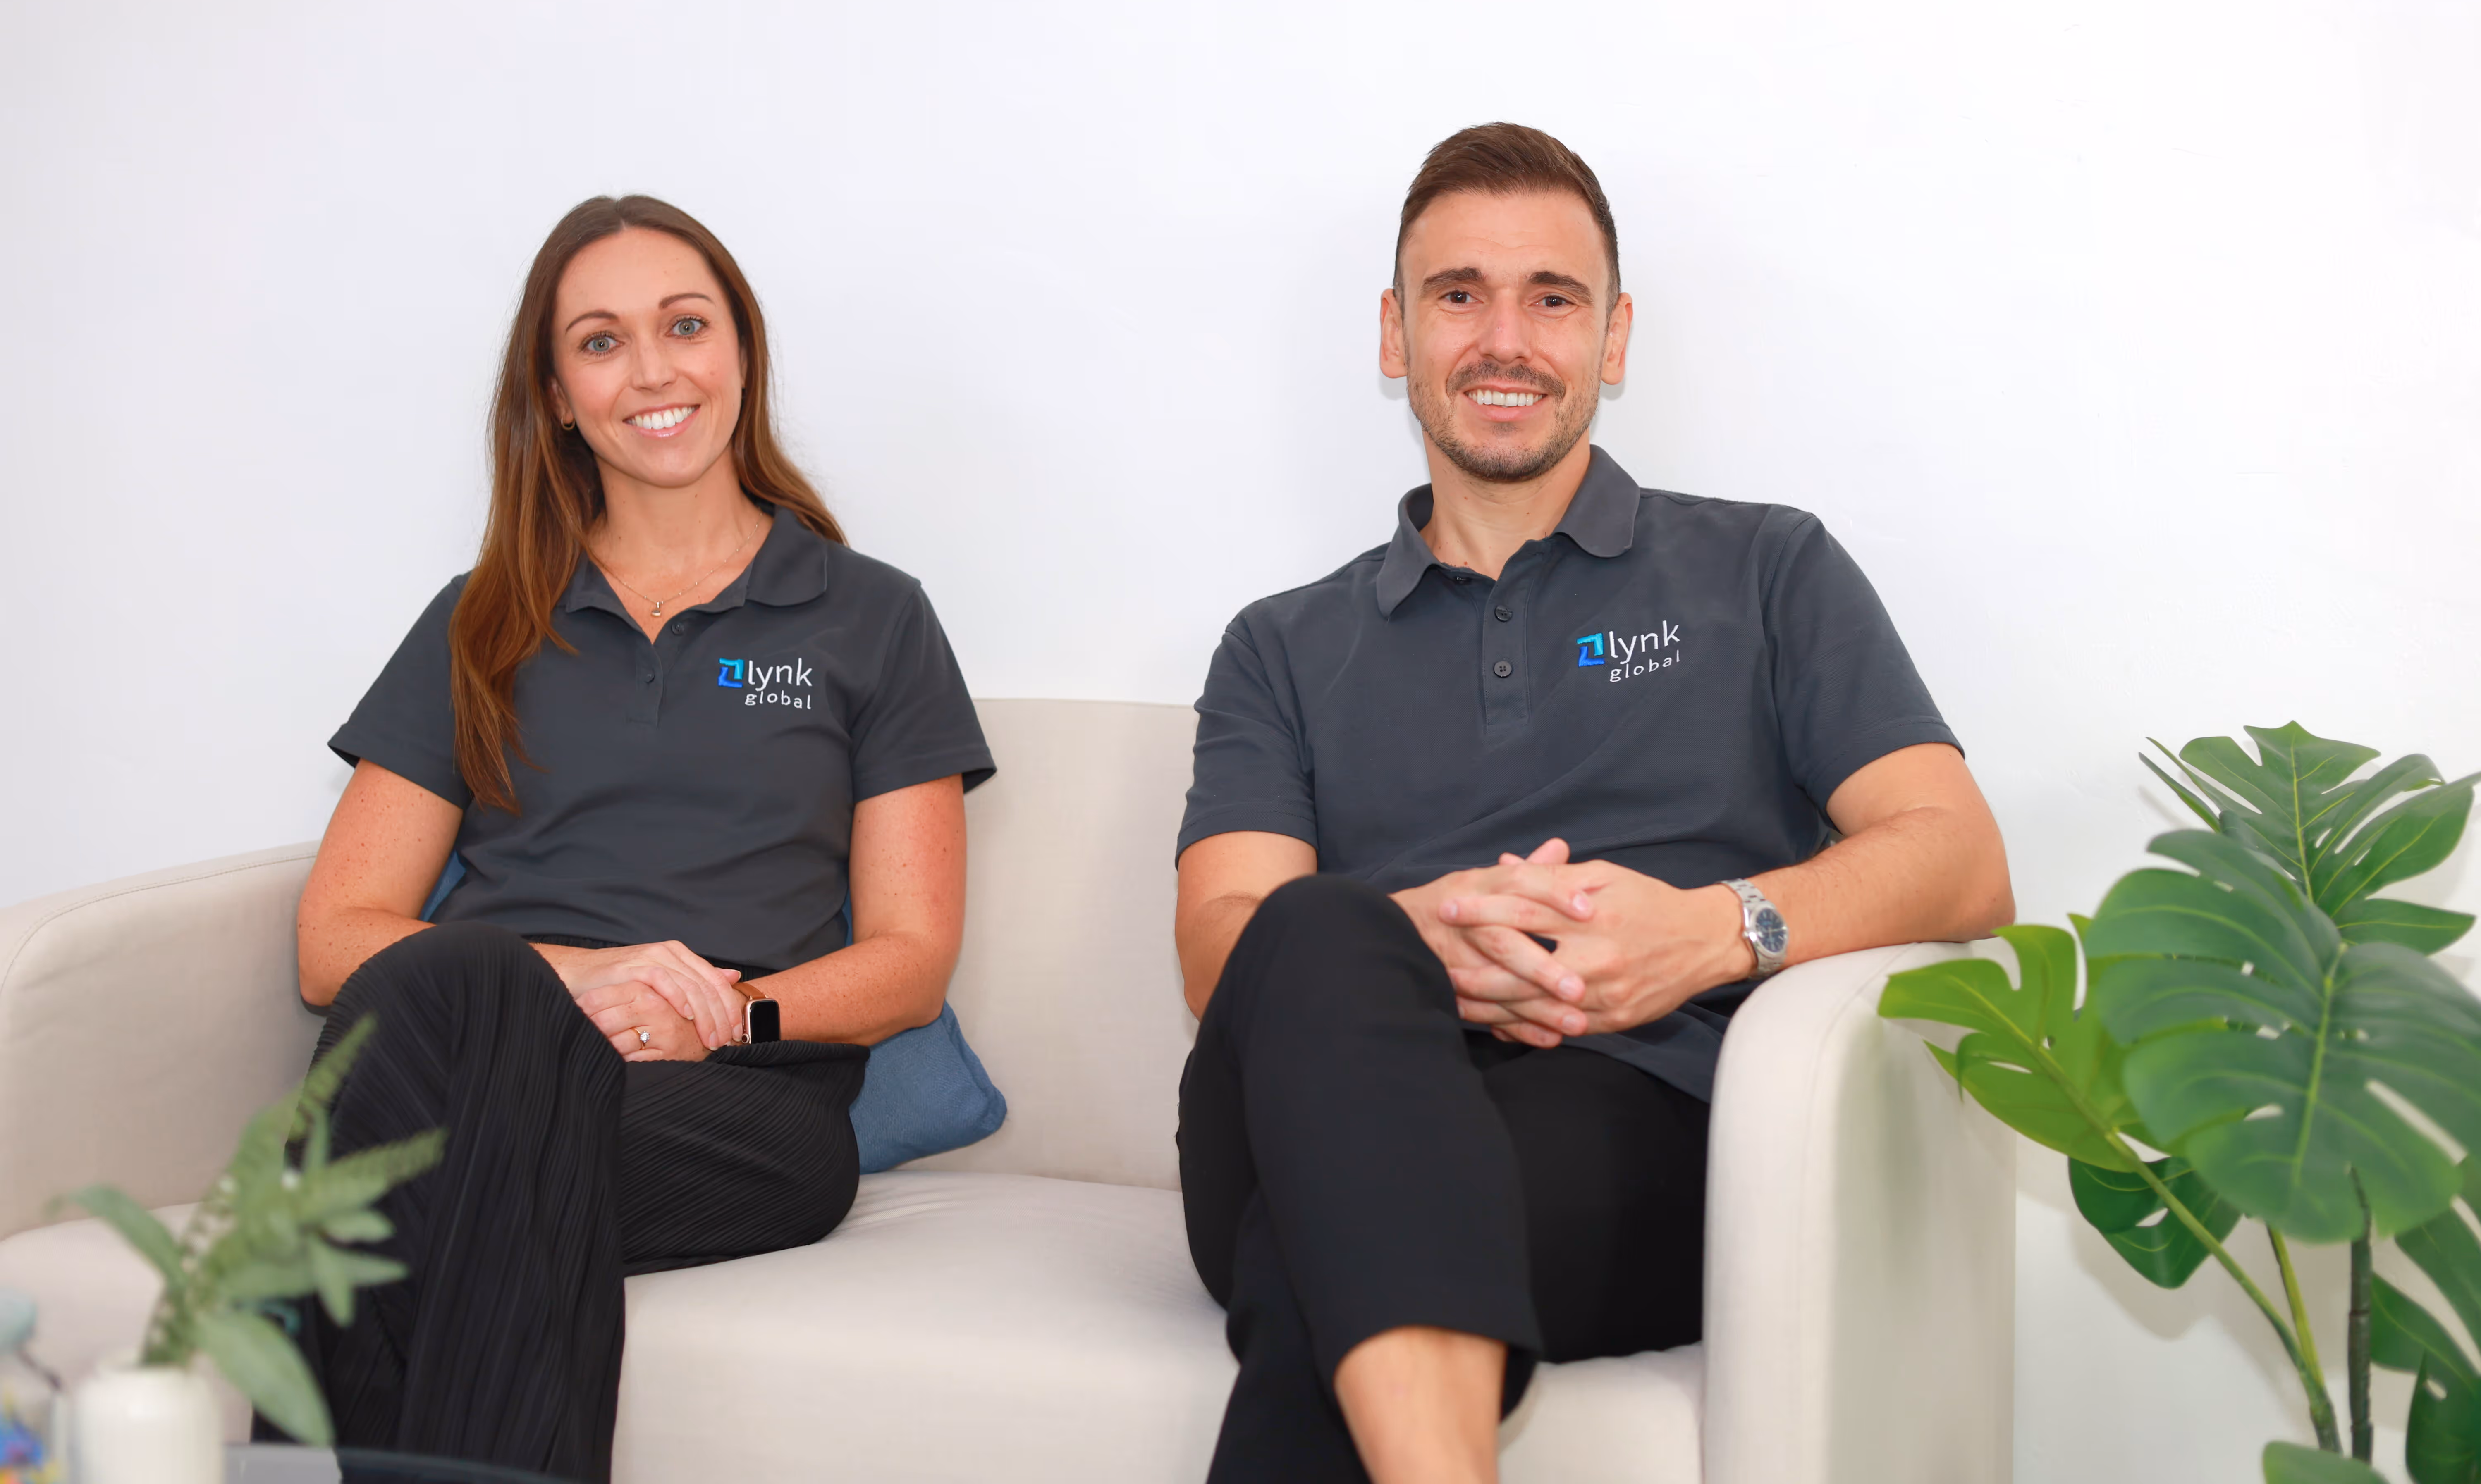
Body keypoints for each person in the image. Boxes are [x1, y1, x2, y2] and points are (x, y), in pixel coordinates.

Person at [1173, 123, 2015, 1484]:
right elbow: (1223, 938)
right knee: (1323, 926)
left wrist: (1712, 931)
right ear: (1397, 336)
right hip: (1303, 1107)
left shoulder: (1766, 567)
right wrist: (1415, 944)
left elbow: (1961, 859)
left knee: (1327, 1250)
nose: (1505, 336)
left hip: (1650, 1125)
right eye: (1459, 295)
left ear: (1612, 341)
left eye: (1551, 298)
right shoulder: (1280, 643)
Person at [291, 195, 993, 1481]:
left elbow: (909, 960)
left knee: (403, 1174)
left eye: (686, 325)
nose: (656, 370)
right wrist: (585, 978)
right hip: (483, 1039)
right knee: (467, 994)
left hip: (734, 1106)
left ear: (741, 355)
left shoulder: (872, 619)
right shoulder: (480, 620)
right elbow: (337, 941)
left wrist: (722, 1013)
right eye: (603, 342)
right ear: (557, 394)